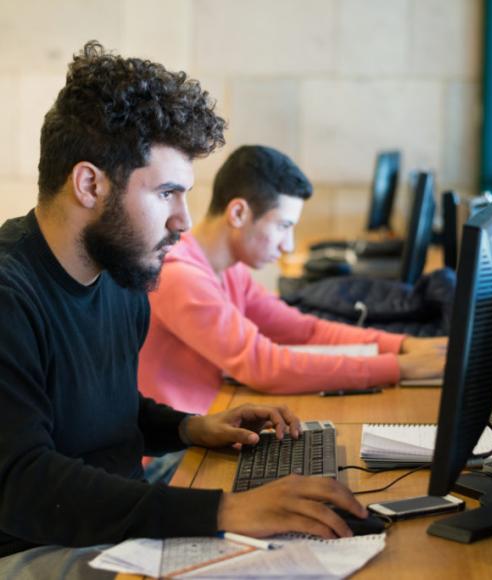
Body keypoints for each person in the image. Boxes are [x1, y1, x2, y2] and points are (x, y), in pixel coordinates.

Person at [0, 42, 367, 579]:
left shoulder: (120, 274)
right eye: (167, 193)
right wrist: (225, 511)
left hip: (115, 526)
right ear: (88, 184)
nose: (185, 221)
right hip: (30, 549)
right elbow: (24, 480)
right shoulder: (11, 296)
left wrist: (190, 428)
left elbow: (105, 409)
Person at [139, 145, 447, 414]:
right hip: (175, 458)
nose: (288, 245)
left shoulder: (230, 269)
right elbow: (264, 365)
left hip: (218, 419)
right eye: (283, 226)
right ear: (238, 213)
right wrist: (401, 367)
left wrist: (406, 345)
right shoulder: (179, 275)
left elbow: (305, 331)